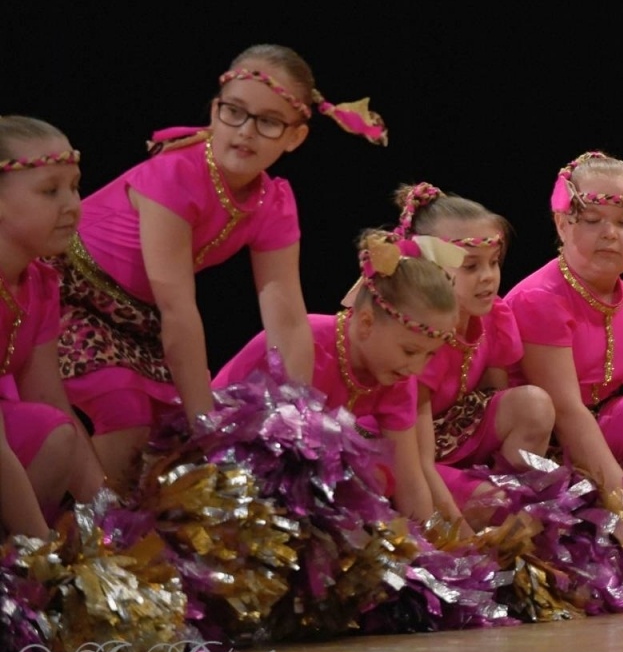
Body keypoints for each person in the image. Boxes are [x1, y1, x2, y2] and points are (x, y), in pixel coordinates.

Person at [53, 44, 387, 490]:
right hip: (69, 294)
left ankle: (106, 538)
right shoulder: (177, 174)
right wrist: (205, 423)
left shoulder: (274, 200)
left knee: (165, 441)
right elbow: (177, 310)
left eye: (267, 122)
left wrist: (299, 412)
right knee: (128, 417)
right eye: (235, 112)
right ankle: (58, 541)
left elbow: (286, 314)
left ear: (295, 137)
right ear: (214, 111)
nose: (246, 132)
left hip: (135, 321)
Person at [212, 228, 463, 524]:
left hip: (297, 478)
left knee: (373, 480)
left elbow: (410, 480)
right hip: (226, 457)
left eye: (429, 355)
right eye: (410, 351)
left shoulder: (398, 380)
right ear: (367, 323)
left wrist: (430, 555)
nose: (418, 369)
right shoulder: (307, 344)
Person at [507, 152, 623, 503]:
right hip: (542, 443)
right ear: (562, 223)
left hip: (599, 425)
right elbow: (566, 411)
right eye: (593, 220)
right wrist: (622, 497)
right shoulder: (540, 299)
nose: (610, 234)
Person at [391, 182, 554, 521]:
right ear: (429, 268)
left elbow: (492, 399)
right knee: (495, 508)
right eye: (470, 266)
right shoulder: (413, 338)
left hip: (452, 437)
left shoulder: (494, 315)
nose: (488, 277)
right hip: (405, 454)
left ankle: (512, 504)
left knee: (533, 403)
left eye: (493, 263)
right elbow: (418, 460)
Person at [0, 117, 106, 537]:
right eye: (49, 191)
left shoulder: (39, 282)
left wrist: (112, 520)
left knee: (54, 432)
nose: (72, 204)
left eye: (74, 186)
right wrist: (40, 553)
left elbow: (48, 399)